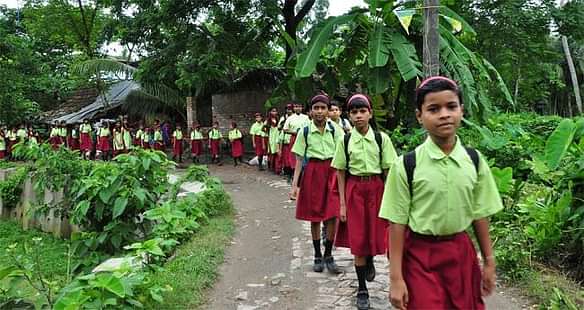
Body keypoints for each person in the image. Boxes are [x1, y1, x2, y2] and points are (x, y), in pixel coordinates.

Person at [379, 76, 503, 310]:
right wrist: (396, 278)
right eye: (433, 109)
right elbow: (396, 223)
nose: (444, 114)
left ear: (461, 111)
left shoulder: (474, 161)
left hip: (460, 253)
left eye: (451, 106)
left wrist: (488, 261)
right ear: (419, 116)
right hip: (420, 256)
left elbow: (480, 214)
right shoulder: (406, 165)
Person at [331, 94, 397, 309]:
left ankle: (370, 259)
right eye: (354, 112)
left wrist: (392, 201)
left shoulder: (381, 139)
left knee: (378, 236)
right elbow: (340, 172)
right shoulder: (345, 140)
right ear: (349, 116)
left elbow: (389, 171)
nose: (358, 116)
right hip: (355, 190)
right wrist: (342, 203)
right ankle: (362, 289)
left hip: (377, 189)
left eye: (362, 111)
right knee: (358, 240)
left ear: (369, 113)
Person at [289, 92, 343, 274]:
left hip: (332, 172)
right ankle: (317, 255)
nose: (319, 111)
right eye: (316, 108)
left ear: (328, 111)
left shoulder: (336, 130)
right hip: (312, 173)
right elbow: (298, 159)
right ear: (310, 111)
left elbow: (343, 156)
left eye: (323, 108)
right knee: (315, 216)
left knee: (332, 215)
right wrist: (294, 186)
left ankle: (329, 254)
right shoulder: (304, 131)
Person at [283, 102, 310, 175]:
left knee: (303, 154)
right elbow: (285, 129)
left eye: (299, 106)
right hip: (294, 138)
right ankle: (293, 171)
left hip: (304, 138)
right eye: (296, 106)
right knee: (293, 155)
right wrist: (294, 132)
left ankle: (303, 171)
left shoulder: (306, 117)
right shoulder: (290, 118)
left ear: (302, 108)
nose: (298, 108)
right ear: (293, 108)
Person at [278, 104, 294, 182]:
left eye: (290, 109)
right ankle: (288, 174)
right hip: (285, 143)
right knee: (286, 160)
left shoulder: (295, 118)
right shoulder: (283, 118)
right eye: (288, 109)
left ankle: (292, 174)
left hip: (293, 141)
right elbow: (279, 128)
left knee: (293, 159)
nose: (289, 110)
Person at [266, 107, 280, 173]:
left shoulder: (278, 119)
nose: (274, 112)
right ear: (270, 112)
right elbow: (263, 129)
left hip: (277, 136)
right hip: (271, 137)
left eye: (275, 111)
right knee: (271, 152)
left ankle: (276, 168)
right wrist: (268, 129)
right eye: (273, 111)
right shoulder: (268, 120)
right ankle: (271, 166)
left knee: (277, 152)